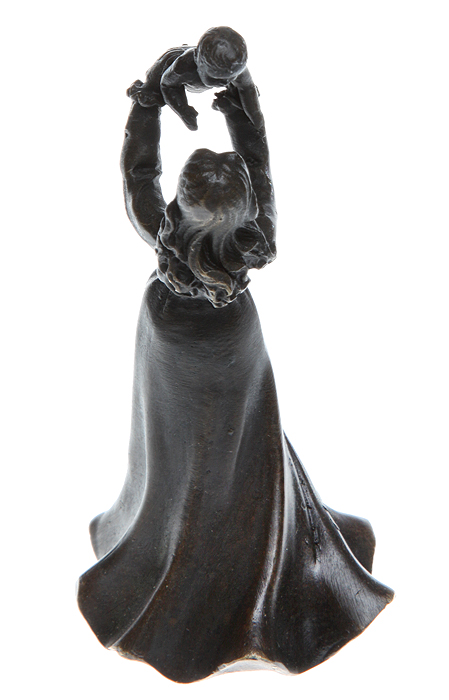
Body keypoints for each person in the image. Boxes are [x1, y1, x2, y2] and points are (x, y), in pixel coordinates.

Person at [78, 67, 393, 684]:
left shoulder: (161, 232)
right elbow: (260, 163)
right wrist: (242, 95)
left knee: (180, 449)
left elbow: (138, 171)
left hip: (170, 334)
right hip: (231, 339)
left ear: (180, 205)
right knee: (239, 447)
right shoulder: (256, 239)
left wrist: (150, 99)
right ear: (244, 209)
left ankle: (172, 558)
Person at [127, 26, 263, 131]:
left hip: (200, 60)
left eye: (231, 77)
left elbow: (248, 89)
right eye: (216, 78)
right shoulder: (183, 66)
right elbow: (168, 85)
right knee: (152, 93)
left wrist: (257, 117)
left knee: (242, 92)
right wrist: (183, 110)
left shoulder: (235, 68)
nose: (224, 83)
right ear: (198, 63)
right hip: (168, 65)